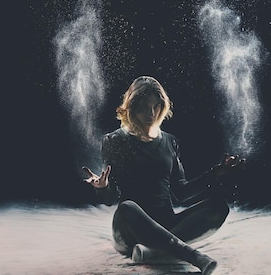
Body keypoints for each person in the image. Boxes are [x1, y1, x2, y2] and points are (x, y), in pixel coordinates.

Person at [82, 76, 245, 275]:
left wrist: (215, 174)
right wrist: (103, 188)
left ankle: (153, 252)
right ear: (132, 108)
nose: (151, 113)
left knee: (218, 206)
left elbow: (181, 193)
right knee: (127, 206)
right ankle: (192, 256)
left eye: (156, 106)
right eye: (144, 107)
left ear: (163, 106)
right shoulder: (114, 141)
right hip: (130, 230)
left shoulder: (170, 141)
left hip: (167, 225)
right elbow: (110, 199)